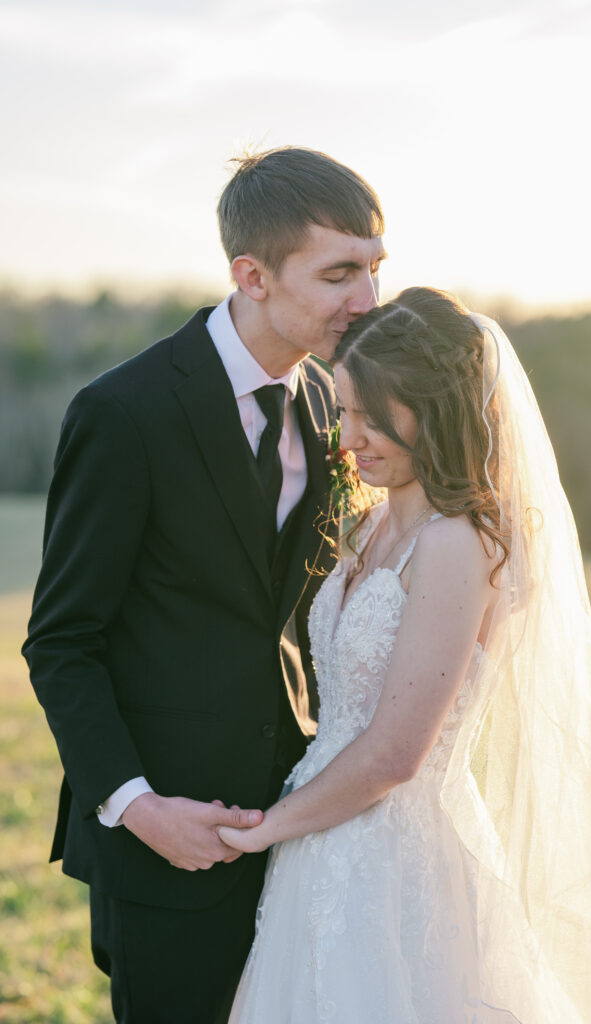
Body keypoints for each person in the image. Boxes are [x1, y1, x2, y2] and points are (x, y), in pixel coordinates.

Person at [218, 287, 591, 1023]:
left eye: (373, 416)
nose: (349, 436)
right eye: (344, 410)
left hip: (397, 856)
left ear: (435, 411)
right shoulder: (367, 527)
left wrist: (266, 828)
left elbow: (396, 753)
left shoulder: (456, 544)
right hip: (320, 838)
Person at [22, 146, 386, 1023]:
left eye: (375, 267)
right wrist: (137, 808)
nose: (369, 298)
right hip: (169, 842)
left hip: (300, 830)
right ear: (251, 275)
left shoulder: (331, 403)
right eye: (339, 273)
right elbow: (62, 642)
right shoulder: (125, 412)